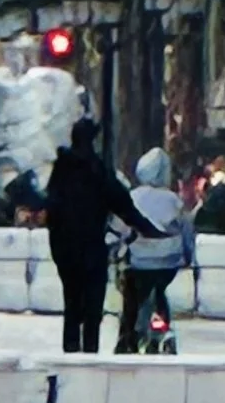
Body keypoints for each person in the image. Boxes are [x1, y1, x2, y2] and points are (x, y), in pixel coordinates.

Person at [45, 118, 148, 355]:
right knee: (92, 307)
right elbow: (122, 203)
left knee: (72, 304)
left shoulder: (61, 171)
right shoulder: (97, 169)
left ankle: (70, 352)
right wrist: (146, 227)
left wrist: (58, 248)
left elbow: (52, 211)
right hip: (91, 248)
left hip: (66, 251)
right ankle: (89, 355)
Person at [117, 149, 193, 352]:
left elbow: (120, 229)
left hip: (138, 261)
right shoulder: (174, 201)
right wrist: (188, 256)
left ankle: (129, 336)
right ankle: (161, 329)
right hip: (169, 263)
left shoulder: (131, 197)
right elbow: (187, 231)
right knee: (160, 291)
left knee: (132, 295)